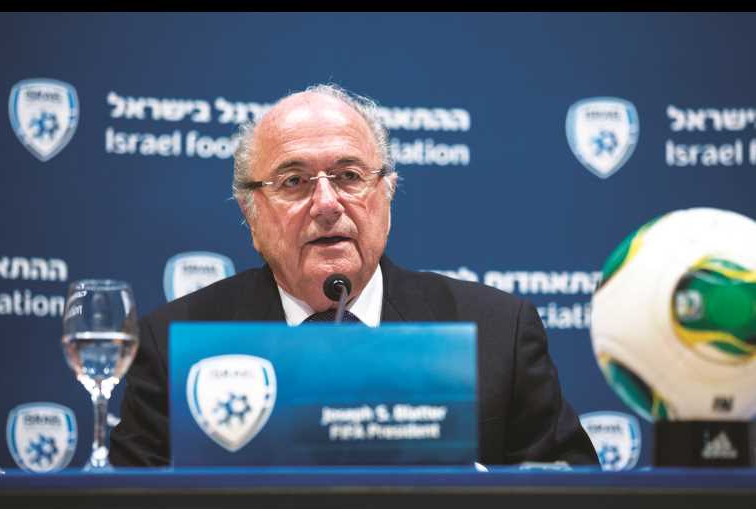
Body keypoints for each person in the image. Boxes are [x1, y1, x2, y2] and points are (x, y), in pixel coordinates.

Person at [110, 84, 598, 467]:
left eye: (349, 176)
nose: (327, 204)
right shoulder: (175, 345)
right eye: (294, 181)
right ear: (250, 214)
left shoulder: (496, 331)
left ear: (386, 195)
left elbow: (572, 499)